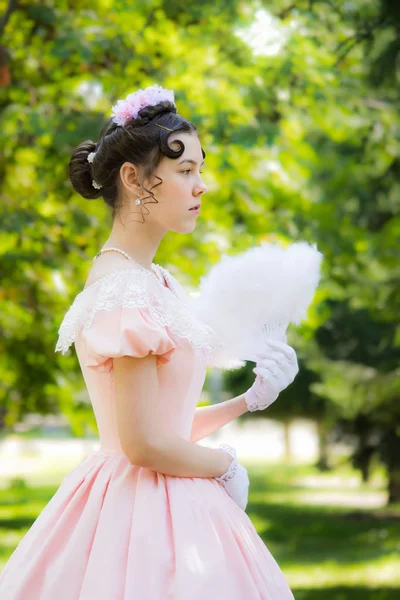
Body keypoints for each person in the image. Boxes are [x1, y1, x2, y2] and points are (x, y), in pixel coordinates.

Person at [0, 85, 299, 599]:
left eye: (200, 170)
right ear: (134, 178)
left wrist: (248, 401)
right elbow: (139, 445)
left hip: (168, 499)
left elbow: (166, 427)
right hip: (138, 514)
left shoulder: (154, 280)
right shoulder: (122, 290)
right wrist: (225, 465)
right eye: (186, 172)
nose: (201, 186)